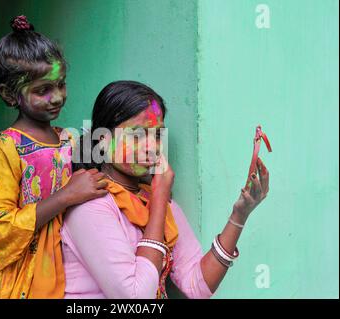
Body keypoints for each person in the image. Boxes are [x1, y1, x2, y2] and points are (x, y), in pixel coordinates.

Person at [61, 81, 270, 298]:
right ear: (103, 141)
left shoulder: (155, 200)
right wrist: (159, 197)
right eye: (137, 135)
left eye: (158, 135)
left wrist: (240, 214)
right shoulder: (91, 207)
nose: (152, 147)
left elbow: (196, 286)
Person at [0, 16, 108, 299]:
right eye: (43, 90)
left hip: (61, 256)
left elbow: (97, 176)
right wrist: (65, 196)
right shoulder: (4, 148)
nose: (57, 97)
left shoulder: (70, 138)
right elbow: (2, 226)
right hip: (17, 272)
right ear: (10, 94)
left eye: (61, 84)